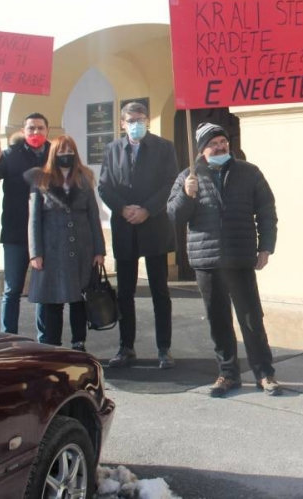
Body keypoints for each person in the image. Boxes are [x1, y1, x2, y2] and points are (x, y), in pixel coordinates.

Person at [167, 123, 281, 397]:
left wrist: (266, 246)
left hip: (239, 257)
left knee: (251, 319)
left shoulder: (249, 172)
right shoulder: (188, 176)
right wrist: (186, 194)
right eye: (213, 143)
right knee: (218, 320)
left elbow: (266, 211)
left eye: (222, 141)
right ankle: (227, 374)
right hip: (207, 260)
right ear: (201, 150)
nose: (220, 146)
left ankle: (264, 373)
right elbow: (173, 216)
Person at [98, 102, 179, 369]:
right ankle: (126, 347)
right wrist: (123, 209)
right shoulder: (111, 149)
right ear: (122, 123)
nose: (137, 123)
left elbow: (170, 183)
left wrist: (147, 210)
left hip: (154, 225)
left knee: (160, 291)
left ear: (147, 121)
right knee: (125, 293)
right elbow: (104, 185)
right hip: (125, 227)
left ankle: (164, 348)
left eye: (141, 119)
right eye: (131, 119)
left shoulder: (164, 147)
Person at [27, 136, 106, 349]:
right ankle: (51, 345)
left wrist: (99, 249)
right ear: (54, 153)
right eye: (61, 150)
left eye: (70, 149)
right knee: (52, 300)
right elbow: (34, 219)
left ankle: (78, 342)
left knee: (79, 299)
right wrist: (36, 253)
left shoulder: (84, 178)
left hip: (82, 248)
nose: (66, 154)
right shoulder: (40, 179)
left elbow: (93, 216)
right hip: (52, 249)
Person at [0, 113, 51, 334]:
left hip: (47, 233)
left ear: (47, 131)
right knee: (12, 290)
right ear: (24, 131)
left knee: (42, 290)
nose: (36, 133)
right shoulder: (10, 155)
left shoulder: (54, 154)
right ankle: (7, 337)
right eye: (31, 128)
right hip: (16, 232)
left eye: (40, 128)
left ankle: (45, 338)